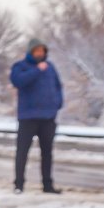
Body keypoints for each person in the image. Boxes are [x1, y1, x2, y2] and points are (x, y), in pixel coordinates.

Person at [10, 38, 64, 194]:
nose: (40, 53)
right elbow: (17, 82)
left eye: (42, 51)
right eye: (37, 51)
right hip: (28, 117)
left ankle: (48, 185)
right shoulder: (20, 66)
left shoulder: (50, 67)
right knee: (22, 152)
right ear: (30, 51)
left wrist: (57, 104)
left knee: (47, 153)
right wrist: (37, 70)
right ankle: (18, 185)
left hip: (48, 118)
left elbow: (58, 86)